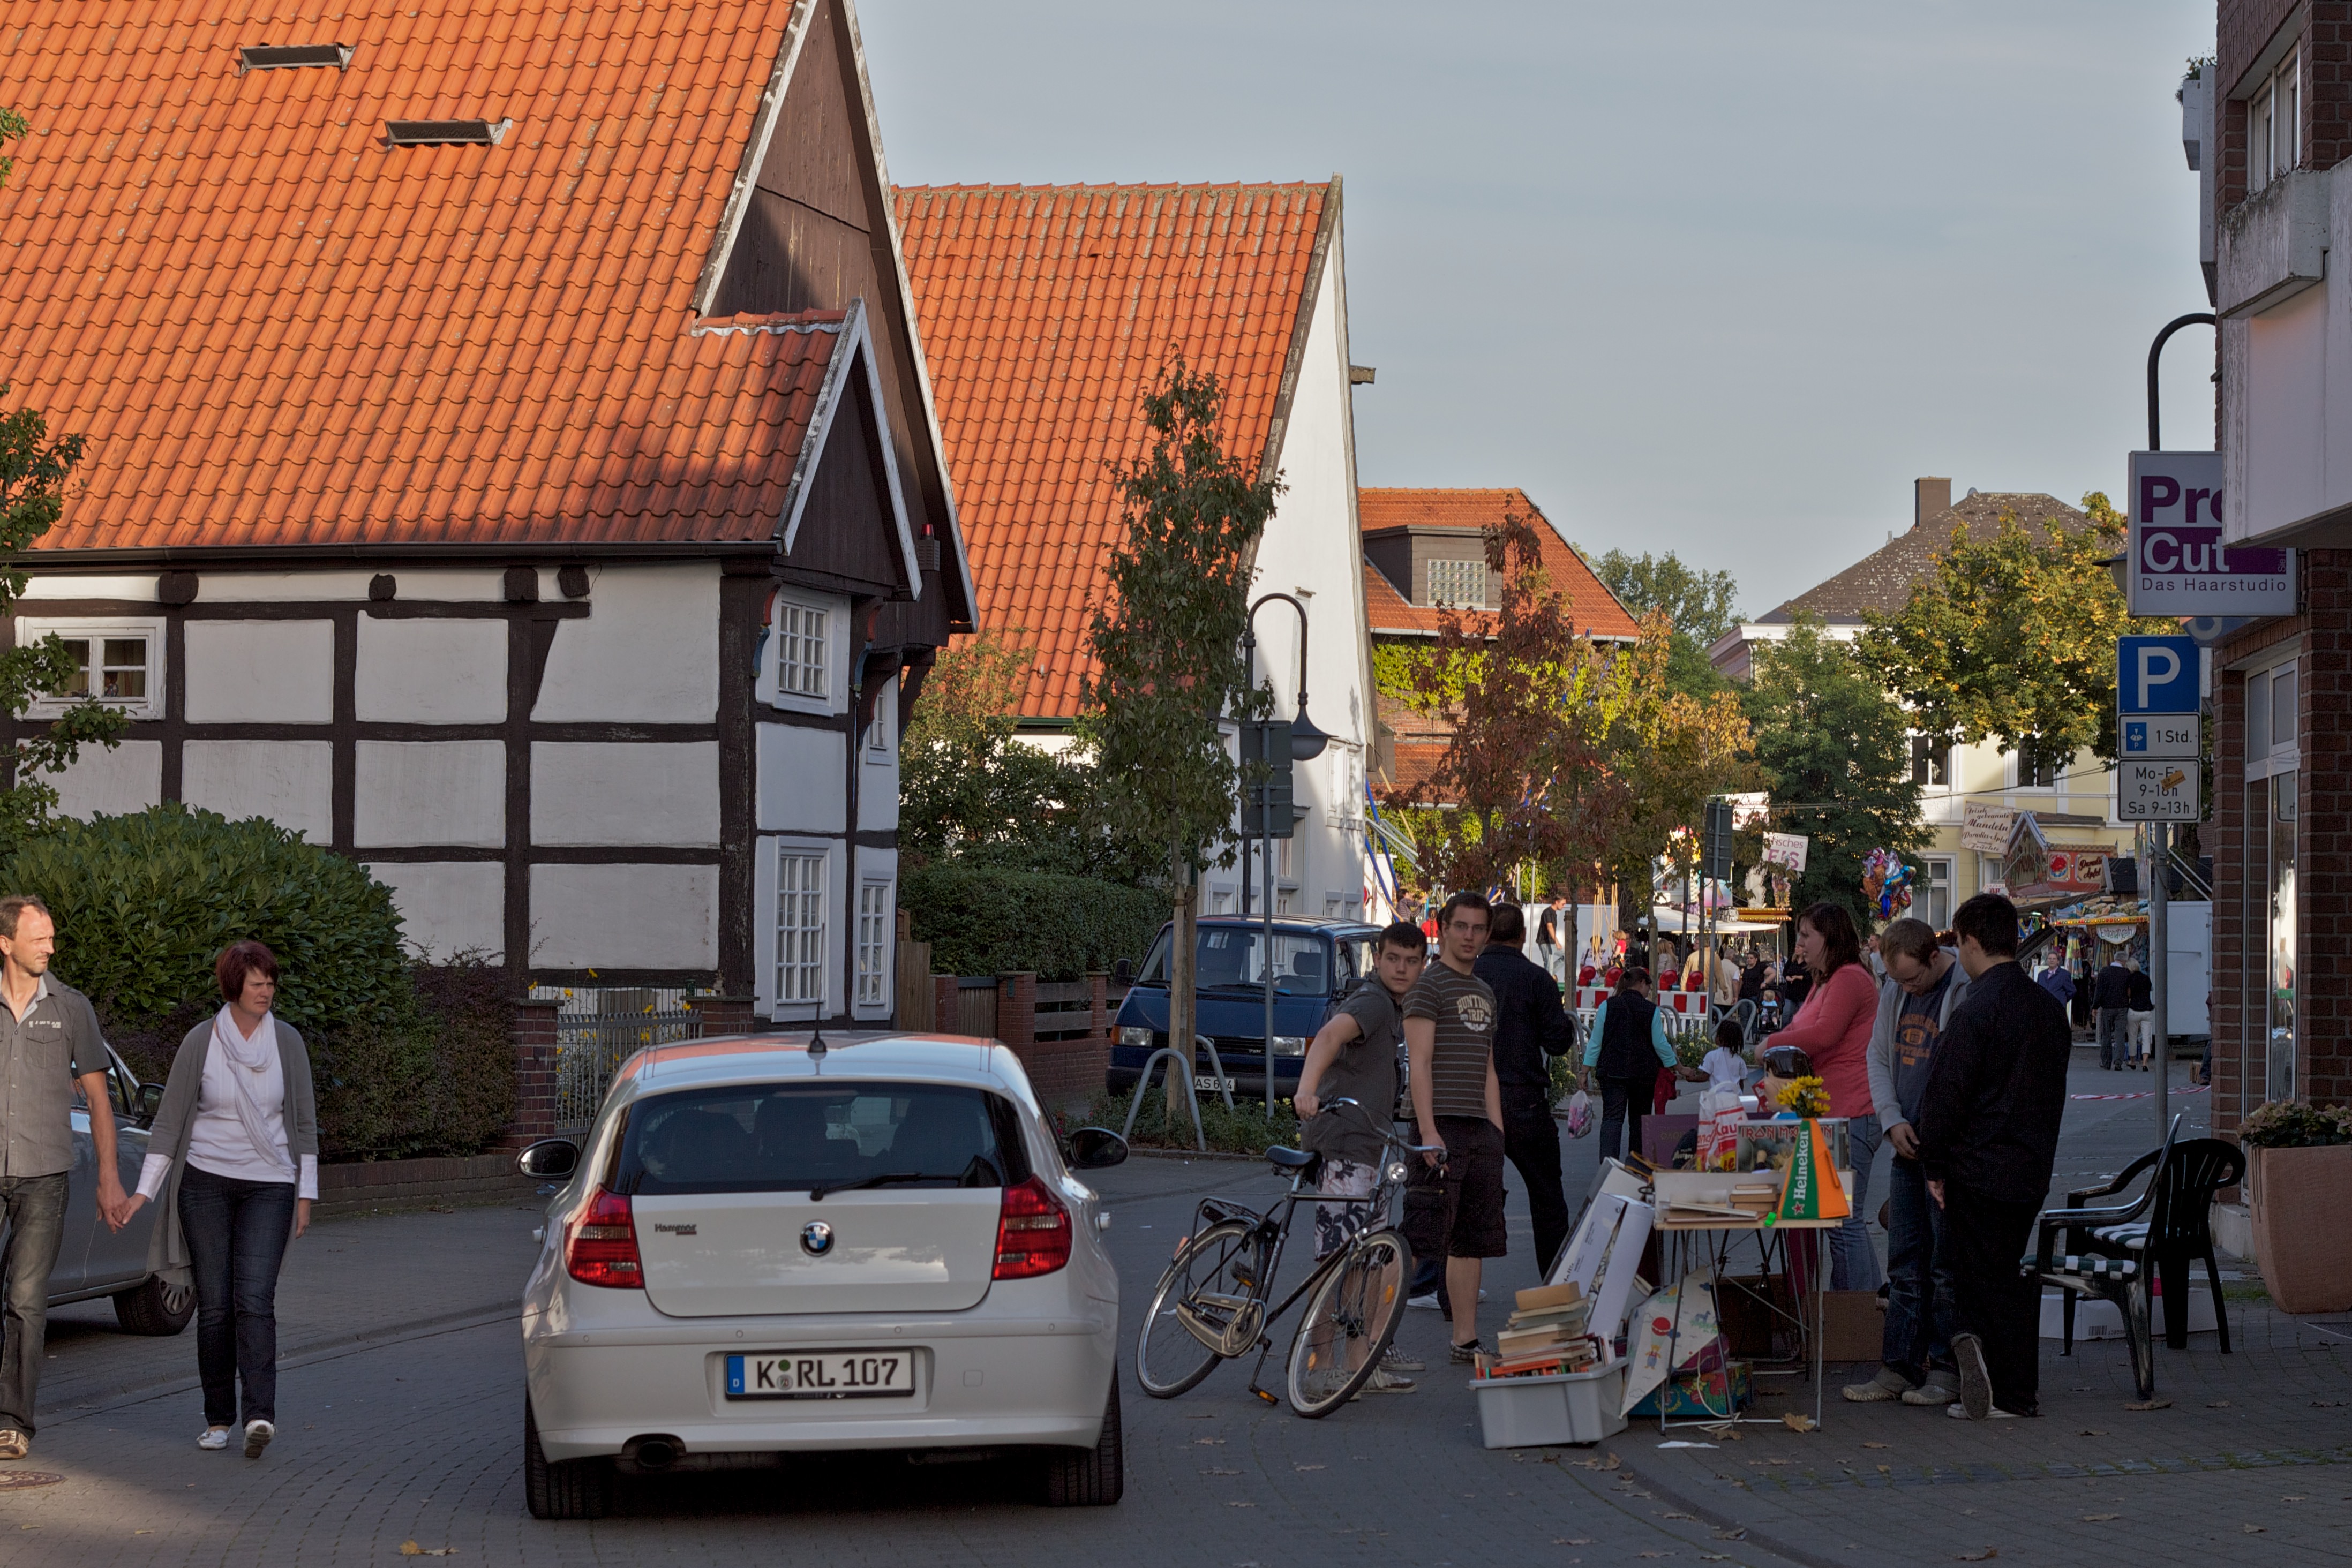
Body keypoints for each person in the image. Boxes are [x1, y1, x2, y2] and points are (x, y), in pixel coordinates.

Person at [123, 941, 319, 1458]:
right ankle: (218, 1419)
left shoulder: (287, 1042)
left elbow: (304, 1124)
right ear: (234, 987)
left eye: (271, 983)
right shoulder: (201, 1042)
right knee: (214, 1305)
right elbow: (169, 1123)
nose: (266, 991)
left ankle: (259, 1415)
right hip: (205, 1183)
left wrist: (305, 1195)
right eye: (257, 984)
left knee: (255, 1300)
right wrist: (143, 1192)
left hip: (270, 1185)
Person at [1914, 894, 2071, 1421]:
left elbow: (1944, 1096)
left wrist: (1934, 1165)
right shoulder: (2046, 1009)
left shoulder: (1975, 1009)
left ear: (1971, 943)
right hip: (2029, 1167)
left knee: (1981, 1283)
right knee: (2003, 1274)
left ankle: (2003, 1389)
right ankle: (1998, 1381)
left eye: (1959, 943)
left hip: (1976, 1167)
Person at [0, 895, 131, 1462]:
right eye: (39, 938)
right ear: (5, 943)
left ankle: (12, 1422)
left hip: (46, 1176)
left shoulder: (72, 1009)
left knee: (26, 1301)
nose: (50, 948)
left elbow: (100, 1101)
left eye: (52, 937)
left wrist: (109, 1179)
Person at [1843, 917, 1973, 1408]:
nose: (1906, 988)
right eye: (1897, 980)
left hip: (1946, 1149)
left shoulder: (1961, 991)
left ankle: (1943, 1369)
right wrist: (1891, 1118)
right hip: (1906, 1143)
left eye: (1912, 978)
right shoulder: (1894, 993)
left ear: (1933, 957)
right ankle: (1897, 1366)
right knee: (1904, 1262)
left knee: (1942, 1265)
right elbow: (1877, 1058)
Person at [1295, 919, 1429, 1393]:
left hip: (1370, 1148)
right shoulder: (1372, 1001)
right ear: (1378, 959)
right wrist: (1306, 1090)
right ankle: (1319, 1366)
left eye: (1411, 961)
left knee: (1367, 1261)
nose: (1401, 968)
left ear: (1422, 965)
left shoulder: (1393, 1006)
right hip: (1346, 1146)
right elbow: (1329, 1036)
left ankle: (1357, 1364)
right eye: (1392, 959)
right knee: (1336, 1260)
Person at [1401, 893, 1505, 1365]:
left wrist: (1496, 1133)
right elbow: (1419, 1063)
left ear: (1487, 934)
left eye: (1478, 928)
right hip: (1439, 1126)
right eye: (1460, 926)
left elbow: (1488, 1069)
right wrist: (1427, 1130)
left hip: (1479, 1129)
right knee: (1419, 1237)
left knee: (1471, 1239)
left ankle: (1464, 1339)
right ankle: (1371, 1339)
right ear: (1442, 929)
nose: (1469, 936)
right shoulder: (1428, 986)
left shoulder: (1484, 991)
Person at [1764, 903, 1882, 1292]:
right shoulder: (1825, 981)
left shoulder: (1848, 978)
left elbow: (1823, 1035)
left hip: (1853, 1111)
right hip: (1833, 1111)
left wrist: (1769, 1043)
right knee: (1841, 1221)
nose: (1799, 943)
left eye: (1805, 935)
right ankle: (1861, 1307)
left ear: (1829, 938)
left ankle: (1856, 1312)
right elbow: (1803, 1031)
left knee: (1844, 1221)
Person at [1472, 904, 1579, 1276]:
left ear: (1487, 933)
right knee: (1547, 1198)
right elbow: (1557, 1043)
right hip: (1523, 1099)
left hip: (1473, 1100)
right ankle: (1554, 1282)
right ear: (1522, 936)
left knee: (1465, 1199)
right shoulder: (1536, 978)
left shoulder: (1468, 974)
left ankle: (1448, 1290)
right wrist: (1563, 1025)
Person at [1580, 968, 1677, 1165]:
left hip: (1612, 1072)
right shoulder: (1652, 1010)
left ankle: (1609, 1166)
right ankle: (1636, 1166)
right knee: (1639, 1122)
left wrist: (1585, 1071)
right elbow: (1660, 1044)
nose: (1649, 992)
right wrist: (1677, 1067)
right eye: (1649, 987)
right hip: (1643, 1075)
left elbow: (1596, 1041)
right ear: (1641, 983)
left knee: (1612, 1120)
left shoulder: (1607, 1006)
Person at [2092, 952, 2131, 1070]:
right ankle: (2118, 1062)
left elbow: (2099, 991)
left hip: (2107, 1007)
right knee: (2120, 1035)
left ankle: (2106, 1062)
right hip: (2122, 1008)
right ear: (2124, 961)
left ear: (2115, 959)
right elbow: (2129, 991)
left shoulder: (2104, 972)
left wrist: (2095, 1007)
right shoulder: (2127, 973)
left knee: (2106, 1035)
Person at [1700, 1017, 1749, 1094]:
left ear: (1721, 1037)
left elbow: (1704, 1077)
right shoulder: (1740, 1060)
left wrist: (1691, 1078)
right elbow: (1741, 1083)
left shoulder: (1711, 1056)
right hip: (1734, 1097)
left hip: (1717, 1097)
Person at [2124, 957, 2155, 1070]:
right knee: (2146, 1038)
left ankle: (2132, 1061)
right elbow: (2150, 989)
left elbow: (2129, 994)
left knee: (2133, 1037)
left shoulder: (2130, 979)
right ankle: (2145, 1063)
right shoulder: (2146, 978)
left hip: (2134, 1010)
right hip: (2147, 1010)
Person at [1534, 895, 1569, 990]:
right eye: (1563, 904)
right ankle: (1546, 987)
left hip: (1551, 943)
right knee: (1549, 965)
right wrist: (1557, 942)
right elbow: (1549, 927)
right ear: (1557, 902)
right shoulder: (1548, 912)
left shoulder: (1554, 913)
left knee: (1566, 956)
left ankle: (1548, 976)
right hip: (1546, 942)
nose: (1564, 906)